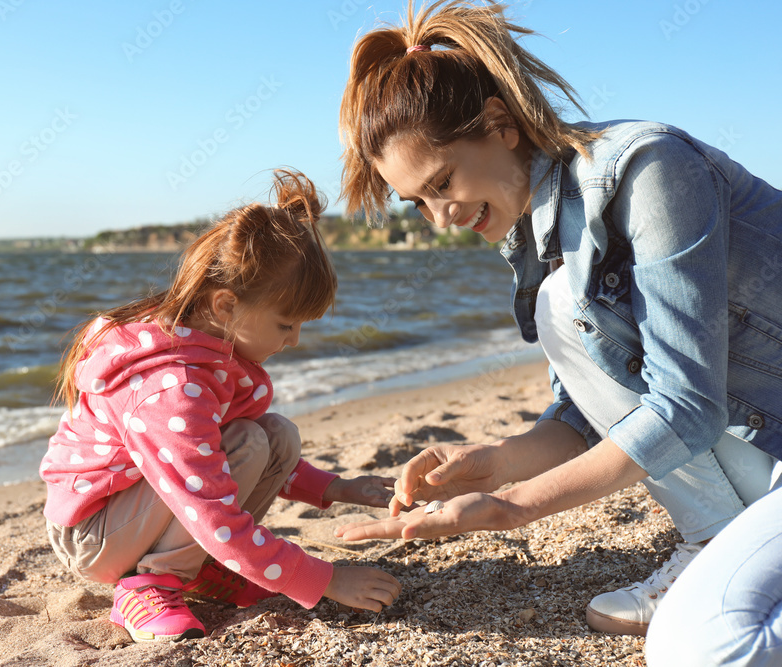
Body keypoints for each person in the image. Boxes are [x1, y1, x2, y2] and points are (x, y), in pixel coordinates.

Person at [333, 1, 781, 662]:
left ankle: (718, 544)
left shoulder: (650, 169)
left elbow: (684, 408)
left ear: (500, 125)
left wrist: (512, 506)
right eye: (418, 202)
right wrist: (489, 463)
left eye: (442, 183)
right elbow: (591, 415)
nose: (441, 219)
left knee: (702, 648)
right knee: (556, 303)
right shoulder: (538, 240)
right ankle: (713, 538)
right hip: (764, 450)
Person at [40, 169, 401, 644]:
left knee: (275, 436)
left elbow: (213, 467)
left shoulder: (208, 353)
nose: (294, 341)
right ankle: (150, 584)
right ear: (227, 305)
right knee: (250, 441)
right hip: (93, 535)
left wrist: (338, 488)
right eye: (285, 324)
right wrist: (325, 579)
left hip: (137, 513)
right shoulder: (171, 386)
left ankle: (196, 567)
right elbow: (211, 508)